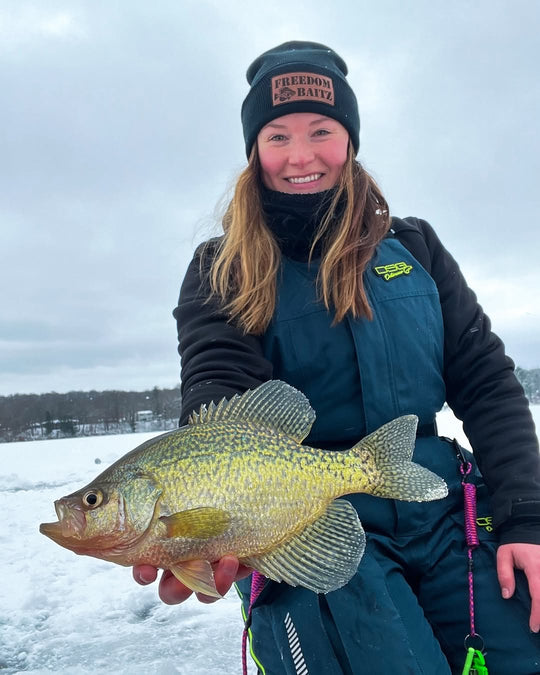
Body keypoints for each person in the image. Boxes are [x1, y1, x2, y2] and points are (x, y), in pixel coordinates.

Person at [134, 41, 540, 674]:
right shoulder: (222, 267)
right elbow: (220, 385)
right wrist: (212, 508)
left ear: (349, 139)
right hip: (302, 523)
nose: (301, 155)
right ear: (254, 149)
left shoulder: (415, 245)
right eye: (277, 135)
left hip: (437, 504)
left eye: (321, 131)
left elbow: (485, 380)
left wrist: (525, 517)